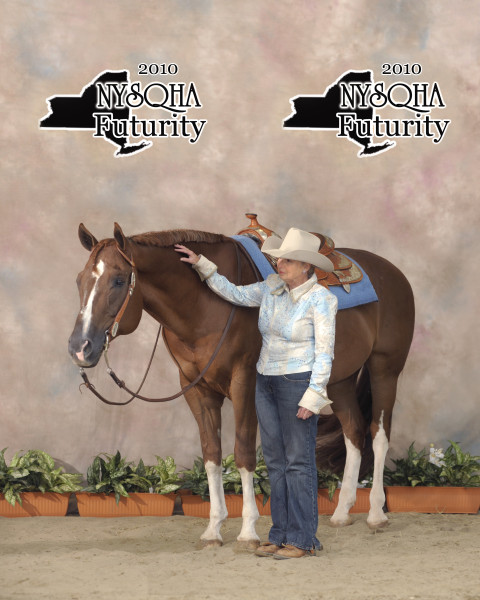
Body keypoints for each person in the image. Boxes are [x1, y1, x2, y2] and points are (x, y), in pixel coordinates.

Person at [175, 228, 338, 560]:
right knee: (275, 462)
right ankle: (279, 535)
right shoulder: (271, 288)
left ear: (306, 266)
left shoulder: (321, 299)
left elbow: (325, 353)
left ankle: (303, 539)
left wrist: (314, 395)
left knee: (298, 463)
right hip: (265, 382)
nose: (280, 264)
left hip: (297, 383)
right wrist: (201, 264)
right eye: (279, 259)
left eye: (288, 260)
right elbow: (233, 292)